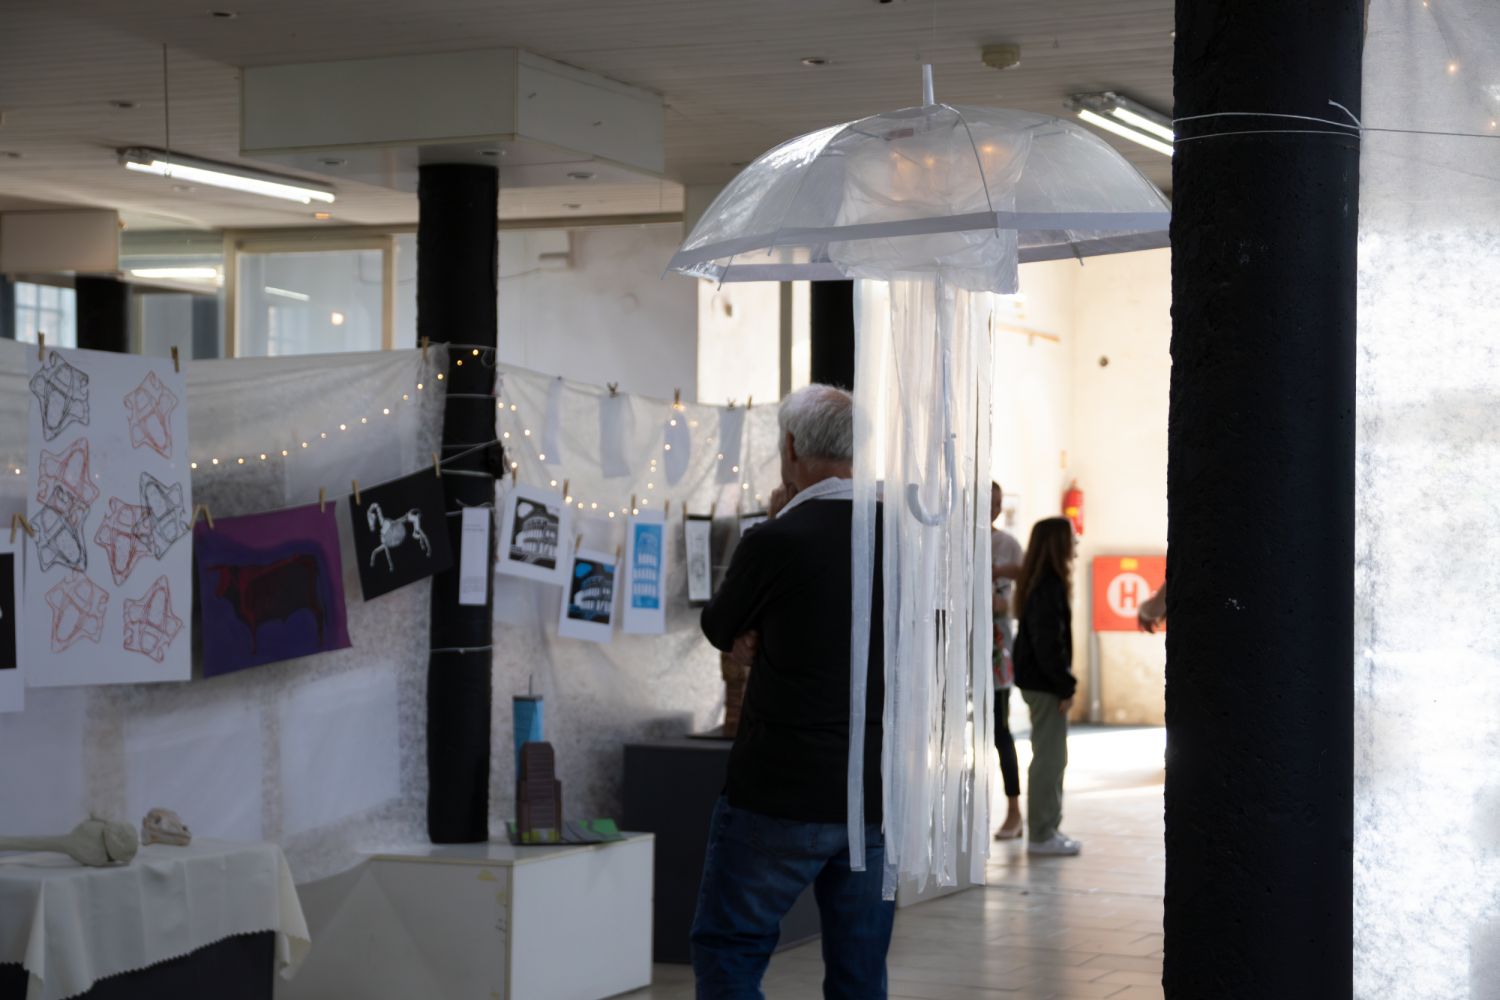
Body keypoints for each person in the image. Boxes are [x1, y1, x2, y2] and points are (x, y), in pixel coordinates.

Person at [693, 384, 891, 999]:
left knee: (732, 948)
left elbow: (720, 626)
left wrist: (756, 624)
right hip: (873, 791)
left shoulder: (778, 538)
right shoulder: (904, 537)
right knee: (860, 970)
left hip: (780, 785)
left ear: (790, 446)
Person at [1012, 516, 1081, 857]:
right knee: (1050, 759)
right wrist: (1065, 685)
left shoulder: (1041, 582)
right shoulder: (1048, 586)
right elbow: (1048, 644)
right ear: (1058, 543)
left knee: (1051, 756)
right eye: (1072, 537)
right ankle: (1041, 834)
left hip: (1040, 681)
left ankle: (1048, 828)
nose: (1077, 542)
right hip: (1045, 684)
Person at [989, 482, 1024, 840]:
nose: (993, 509)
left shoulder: (1008, 544)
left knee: (1000, 729)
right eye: (988, 502)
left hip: (996, 648)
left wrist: (1004, 605)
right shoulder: (949, 540)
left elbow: (1025, 594)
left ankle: (1014, 810)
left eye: (998, 503)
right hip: (955, 647)